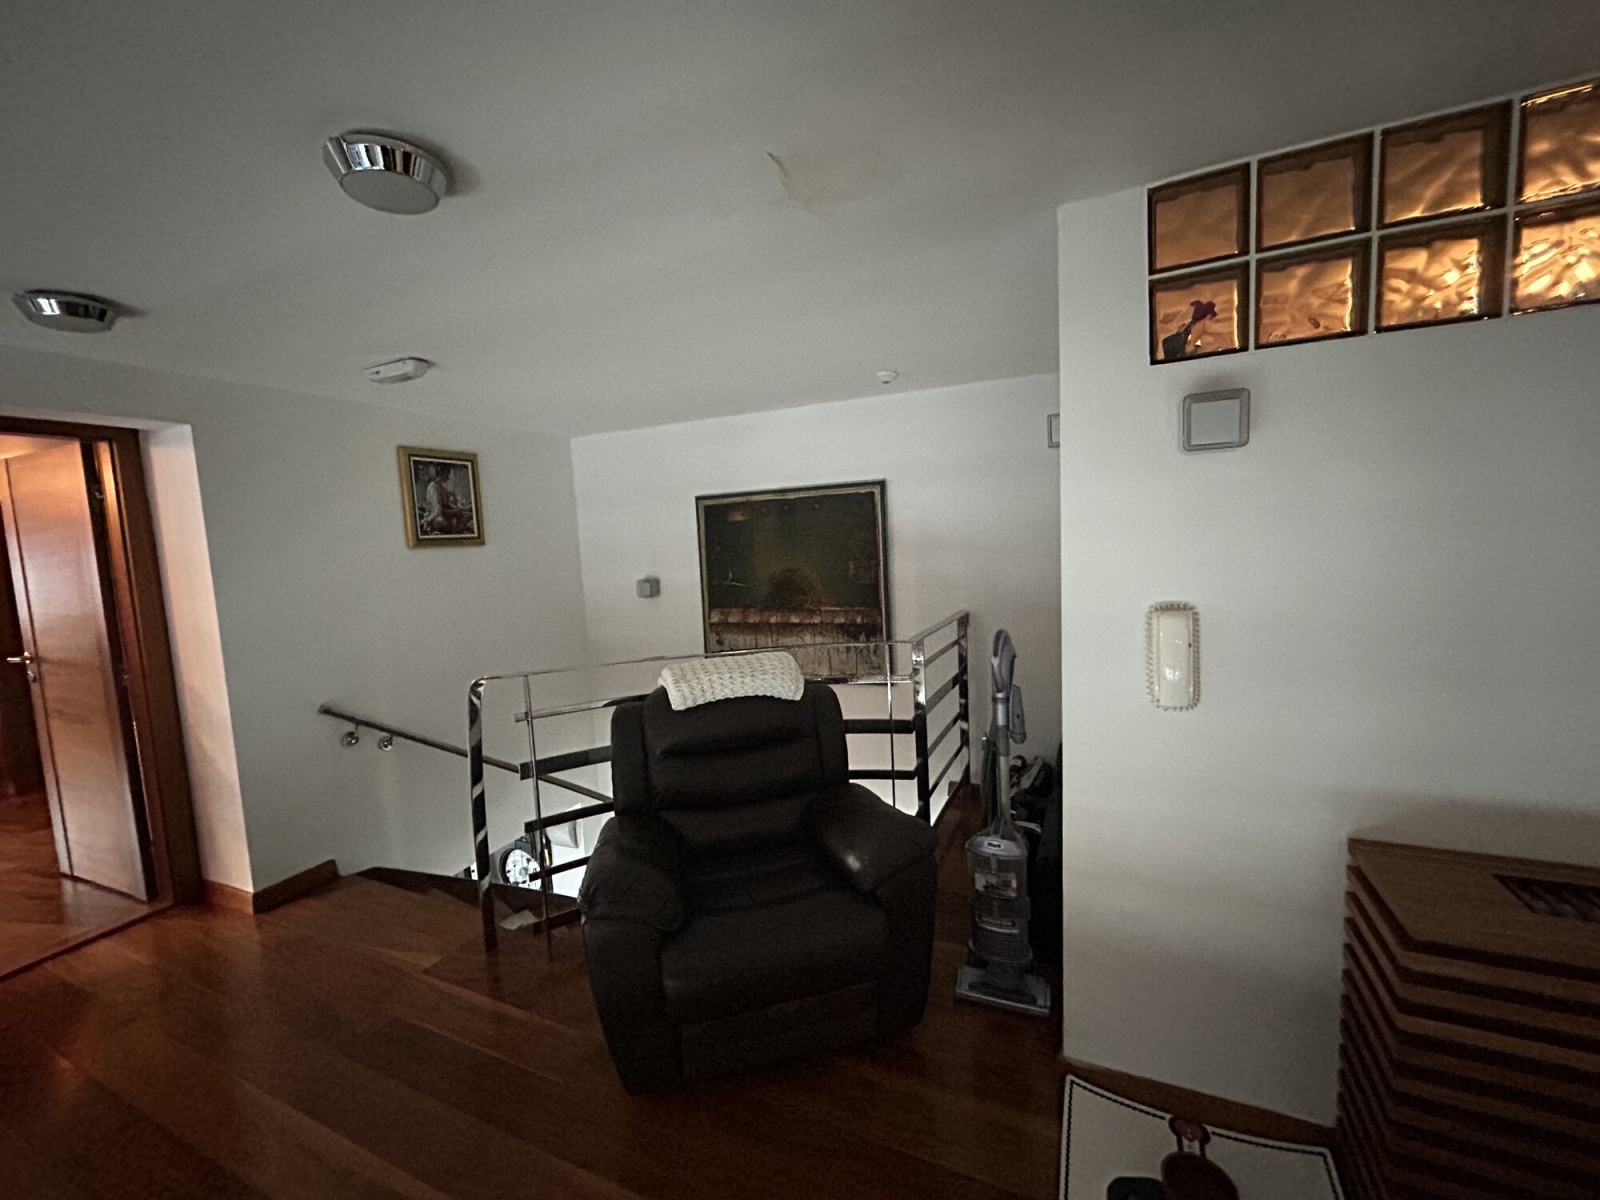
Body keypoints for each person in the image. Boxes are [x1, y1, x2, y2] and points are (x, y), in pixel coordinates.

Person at [420, 464, 473, 535]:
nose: (448, 478)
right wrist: (455, 511)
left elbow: (448, 504)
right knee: (450, 520)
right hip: (438, 516)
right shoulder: (432, 487)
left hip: (446, 514)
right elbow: (437, 510)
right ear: (441, 473)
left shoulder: (443, 487)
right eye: (447, 474)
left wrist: (459, 509)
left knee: (467, 515)